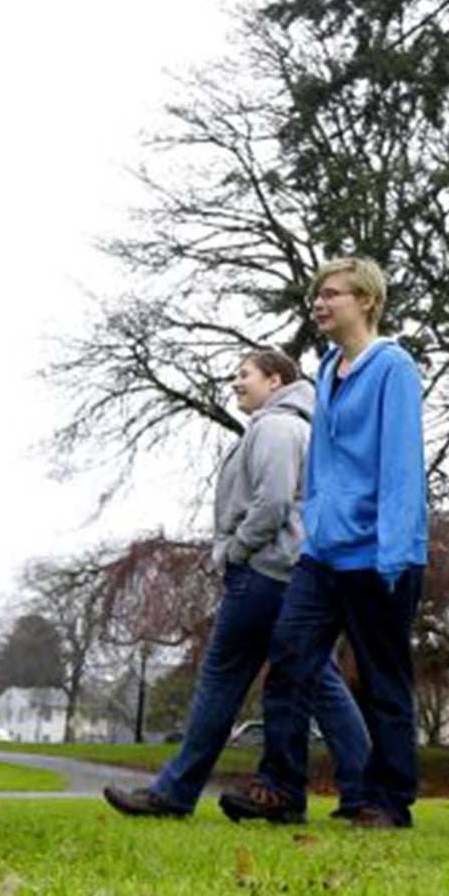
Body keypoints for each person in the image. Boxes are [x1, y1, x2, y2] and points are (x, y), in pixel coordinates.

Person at [103, 349, 371, 819]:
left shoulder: (276, 427)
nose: (235, 383)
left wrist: (234, 550)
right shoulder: (302, 426)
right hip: (294, 573)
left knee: (221, 678)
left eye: (244, 374)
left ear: (275, 380)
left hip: (265, 573)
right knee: (320, 682)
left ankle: (174, 792)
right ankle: (366, 792)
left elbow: (271, 502)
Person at [219, 256, 428, 830]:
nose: (319, 302)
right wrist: (315, 526)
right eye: (317, 294)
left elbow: (402, 465)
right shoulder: (329, 368)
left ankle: (387, 801)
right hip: (324, 554)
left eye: (331, 293)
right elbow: (325, 466)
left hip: (381, 555)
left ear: (366, 300)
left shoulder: (394, 369)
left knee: (384, 682)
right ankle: (280, 789)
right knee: (288, 663)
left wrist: (391, 552)